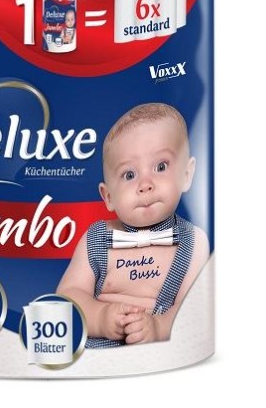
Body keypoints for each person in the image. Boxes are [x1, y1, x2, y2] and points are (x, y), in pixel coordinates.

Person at [56, 103, 209, 348]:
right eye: (129, 175)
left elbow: (194, 309)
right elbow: (67, 297)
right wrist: (100, 317)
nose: (145, 185)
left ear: (187, 174)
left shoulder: (194, 242)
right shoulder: (97, 239)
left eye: (160, 167)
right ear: (108, 196)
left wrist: (159, 327)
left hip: (156, 354)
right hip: (94, 354)